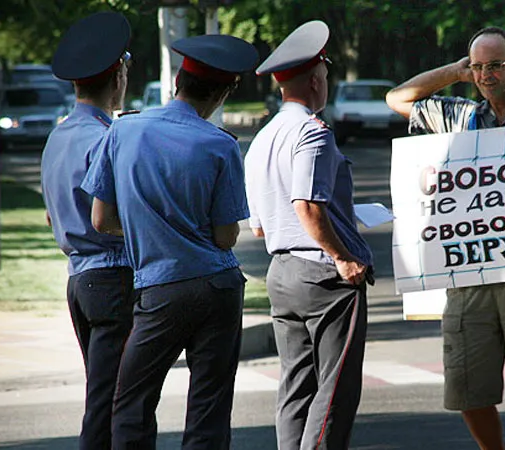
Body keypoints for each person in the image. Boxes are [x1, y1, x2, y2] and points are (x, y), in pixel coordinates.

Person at [385, 26, 505, 450]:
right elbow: (398, 99)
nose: (485, 75)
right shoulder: (458, 114)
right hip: (469, 274)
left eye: (494, 65)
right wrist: (455, 72)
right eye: (478, 67)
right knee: (466, 386)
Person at [80, 34, 259, 449]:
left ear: (178, 80)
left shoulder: (123, 131)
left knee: (131, 404)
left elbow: (101, 219)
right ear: (224, 92)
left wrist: (152, 228)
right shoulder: (222, 145)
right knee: (209, 408)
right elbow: (225, 236)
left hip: (158, 290)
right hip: (217, 288)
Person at [245, 20, 373, 450]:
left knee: (296, 385)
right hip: (323, 275)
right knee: (335, 390)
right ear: (317, 80)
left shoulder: (263, 138)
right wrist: (343, 257)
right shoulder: (312, 133)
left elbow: (260, 223)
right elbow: (308, 205)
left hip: (282, 272)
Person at [40, 11, 133, 449]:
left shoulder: (58, 137)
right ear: (118, 75)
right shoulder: (108, 138)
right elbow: (113, 216)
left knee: (104, 392)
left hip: (78, 278)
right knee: (115, 401)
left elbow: (49, 215)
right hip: (113, 276)